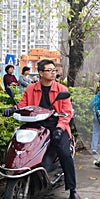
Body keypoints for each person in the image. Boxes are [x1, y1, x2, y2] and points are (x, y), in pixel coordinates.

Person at [3, 59, 81, 199]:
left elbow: (67, 112)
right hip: (35, 124)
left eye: (54, 70)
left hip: (56, 124)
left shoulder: (61, 90)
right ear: (40, 73)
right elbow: (23, 105)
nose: (53, 73)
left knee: (64, 152)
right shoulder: (31, 88)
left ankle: (72, 189)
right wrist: (12, 109)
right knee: (19, 144)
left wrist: (60, 128)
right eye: (49, 70)